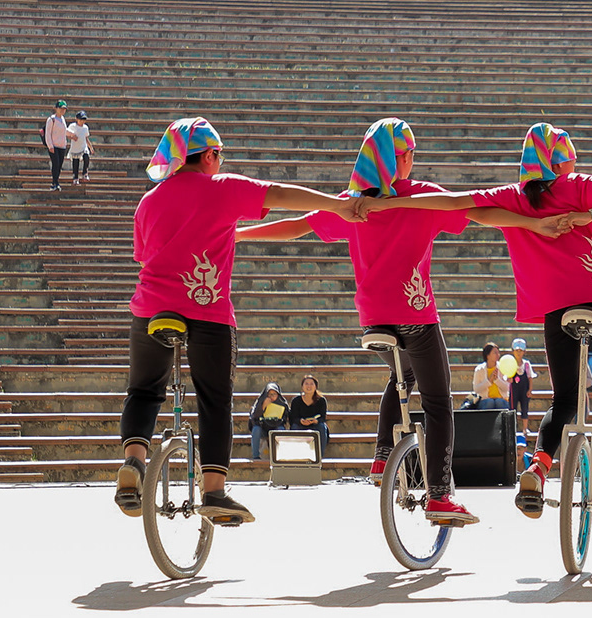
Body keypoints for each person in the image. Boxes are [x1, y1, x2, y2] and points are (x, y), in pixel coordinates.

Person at [236, 118, 564, 525]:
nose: (412, 161)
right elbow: (481, 214)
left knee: (401, 377)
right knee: (438, 402)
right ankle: (440, 495)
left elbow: (296, 228)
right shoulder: (422, 197)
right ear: (399, 159)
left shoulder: (352, 203)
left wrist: (240, 235)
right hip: (414, 315)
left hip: (373, 319)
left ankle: (380, 458)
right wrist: (533, 223)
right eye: (410, 154)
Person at [363, 123, 592, 518]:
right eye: (569, 161)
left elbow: (461, 204)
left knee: (564, 399)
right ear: (559, 162)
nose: (572, 167)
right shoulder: (577, 186)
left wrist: (386, 204)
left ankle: (537, 467)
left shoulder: (513, 197)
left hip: (557, 306)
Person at [115, 117, 355, 525]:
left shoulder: (149, 201)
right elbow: (280, 194)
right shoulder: (222, 188)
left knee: (143, 390)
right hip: (207, 312)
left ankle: (133, 463)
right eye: (219, 155)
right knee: (214, 399)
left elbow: (143, 256)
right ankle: (213, 490)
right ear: (209, 155)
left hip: (151, 309)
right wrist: (337, 204)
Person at [287, 375, 329, 458]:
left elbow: (322, 417)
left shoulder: (321, 400)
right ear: (302, 386)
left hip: (315, 424)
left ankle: (319, 456)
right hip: (300, 425)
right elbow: (293, 418)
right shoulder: (296, 400)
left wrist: (316, 421)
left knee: (322, 427)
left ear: (315, 386)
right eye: (306, 384)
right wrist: (301, 421)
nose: (309, 386)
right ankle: (296, 456)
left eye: (311, 384)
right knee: (295, 427)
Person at [247, 384, 287, 460]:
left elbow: (285, 418)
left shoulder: (282, 403)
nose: (272, 396)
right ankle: (256, 456)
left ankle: (279, 456)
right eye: (269, 394)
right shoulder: (260, 401)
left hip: (276, 427)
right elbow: (254, 417)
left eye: (274, 394)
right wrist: (263, 406)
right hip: (262, 428)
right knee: (256, 429)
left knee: (281, 429)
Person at [42, 100, 71, 193]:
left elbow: (64, 131)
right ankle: (54, 183)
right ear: (56, 108)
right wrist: (50, 145)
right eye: (61, 108)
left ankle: (56, 181)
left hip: (62, 146)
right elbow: (48, 133)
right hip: (54, 146)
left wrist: (73, 135)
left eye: (64, 109)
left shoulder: (63, 119)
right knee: (56, 164)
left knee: (59, 165)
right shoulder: (51, 119)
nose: (63, 110)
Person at [65, 108, 94, 188]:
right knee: (76, 163)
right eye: (81, 120)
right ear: (77, 119)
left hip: (83, 147)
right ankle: (75, 178)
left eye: (83, 120)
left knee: (86, 157)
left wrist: (90, 147)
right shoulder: (72, 126)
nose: (82, 121)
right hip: (75, 148)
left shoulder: (85, 128)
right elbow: (67, 134)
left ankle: (85, 173)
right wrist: (72, 137)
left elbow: (86, 138)